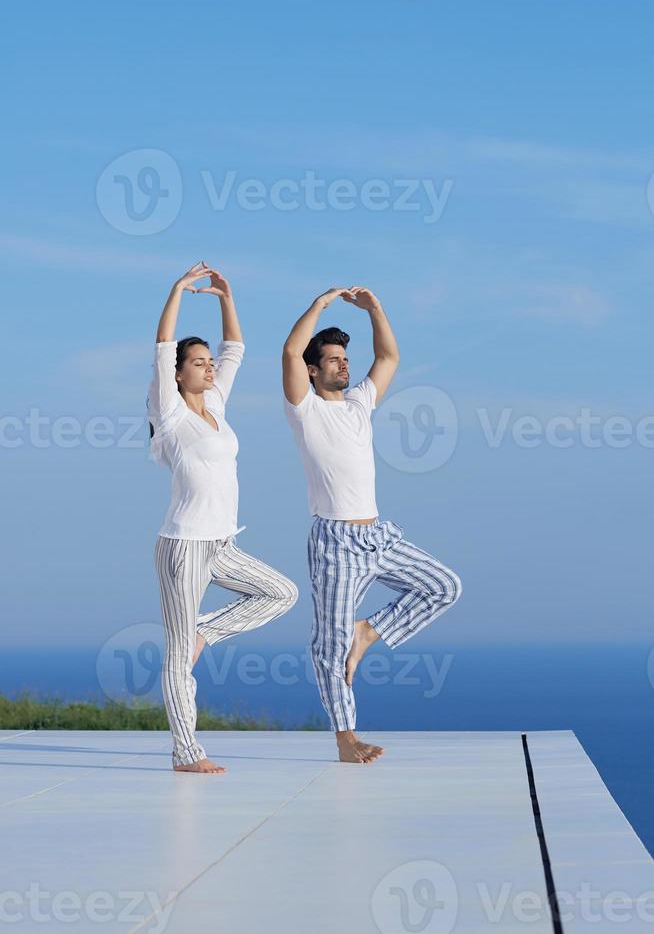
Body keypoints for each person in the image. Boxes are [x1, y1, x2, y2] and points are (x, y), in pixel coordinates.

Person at [282, 286, 463, 764]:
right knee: (329, 645)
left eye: (345, 357)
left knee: (444, 587)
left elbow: (389, 355)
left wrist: (375, 309)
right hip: (335, 543)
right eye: (333, 359)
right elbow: (287, 351)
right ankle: (346, 739)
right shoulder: (305, 408)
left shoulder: (360, 403)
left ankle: (369, 632)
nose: (344, 365)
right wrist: (319, 304)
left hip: (377, 535)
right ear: (312, 369)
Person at [147, 261, 298, 774]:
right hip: (184, 547)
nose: (209, 367)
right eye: (198, 362)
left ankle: (203, 634)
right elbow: (162, 345)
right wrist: (177, 291)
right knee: (175, 657)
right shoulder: (170, 412)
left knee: (281, 593)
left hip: (222, 544)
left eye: (209, 361)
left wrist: (225, 298)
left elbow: (237, 350)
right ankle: (186, 752)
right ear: (178, 373)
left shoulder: (215, 403)